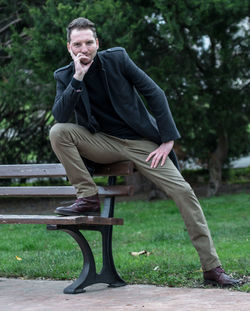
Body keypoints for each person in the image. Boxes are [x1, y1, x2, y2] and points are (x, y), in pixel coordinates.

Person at [49, 17, 239, 287]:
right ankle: (88, 196)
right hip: (101, 142)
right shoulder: (65, 76)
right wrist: (77, 77)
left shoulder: (117, 59)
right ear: (69, 47)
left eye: (89, 43)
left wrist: (168, 139)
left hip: (140, 143)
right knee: (57, 132)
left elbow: (154, 92)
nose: (85, 49)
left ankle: (212, 268)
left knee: (183, 191)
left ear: (97, 43)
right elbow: (61, 114)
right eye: (78, 44)